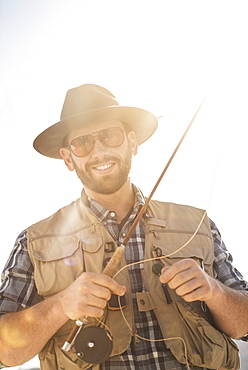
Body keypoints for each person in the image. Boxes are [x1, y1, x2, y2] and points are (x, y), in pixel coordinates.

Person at [0, 84, 247, 370]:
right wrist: (60, 305)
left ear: (132, 142)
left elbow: (244, 325)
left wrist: (214, 292)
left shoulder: (199, 224)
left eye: (110, 135)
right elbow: (4, 352)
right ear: (68, 158)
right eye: (82, 143)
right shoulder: (32, 241)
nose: (99, 151)